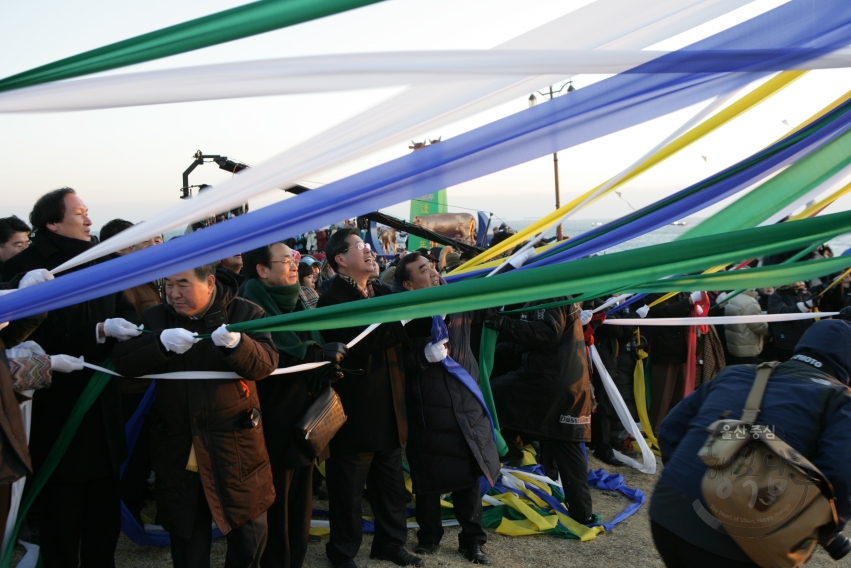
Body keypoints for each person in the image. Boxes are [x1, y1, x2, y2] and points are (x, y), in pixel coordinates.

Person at [2, 188, 143, 567]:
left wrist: (123, 326)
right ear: (52, 222)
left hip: (101, 402)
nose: (88, 220)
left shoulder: (101, 260)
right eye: (80, 213)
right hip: (54, 407)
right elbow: (23, 337)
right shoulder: (25, 269)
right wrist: (96, 331)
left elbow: (126, 310)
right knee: (60, 516)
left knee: (103, 513)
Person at [111, 263, 278, 567]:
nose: (173, 294)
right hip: (177, 445)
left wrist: (238, 345)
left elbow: (265, 365)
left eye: (183, 284)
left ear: (210, 282)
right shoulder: (156, 317)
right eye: (167, 285)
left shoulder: (246, 313)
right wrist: (159, 345)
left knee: (250, 535)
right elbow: (124, 363)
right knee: (187, 538)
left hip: (236, 444)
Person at [650, 319, 851, 567]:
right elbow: (841, 475)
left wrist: (688, 478)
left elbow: (670, 429)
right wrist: (827, 529)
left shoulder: (736, 373)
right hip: (740, 538)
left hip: (668, 512)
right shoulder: (839, 400)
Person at [317, 229, 422, 568]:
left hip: (389, 404)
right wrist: (400, 321)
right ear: (340, 260)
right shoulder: (331, 298)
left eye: (368, 245)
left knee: (390, 487)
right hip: (355, 408)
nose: (370, 251)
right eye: (360, 246)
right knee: (348, 490)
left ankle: (390, 543)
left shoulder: (377, 289)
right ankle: (343, 552)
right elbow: (355, 342)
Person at [240, 242, 346, 568]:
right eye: (286, 260)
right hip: (273, 423)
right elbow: (268, 360)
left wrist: (326, 364)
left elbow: (309, 348)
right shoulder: (247, 306)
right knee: (277, 507)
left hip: (308, 421)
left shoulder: (299, 299)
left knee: (301, 504)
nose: (293, 266)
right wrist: (314, 355)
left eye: (295, 258)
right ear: (261, 269)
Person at [394, 252, 499, 565]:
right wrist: (424, 357)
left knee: (468, 474)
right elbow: (398, 365)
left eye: (432, 266)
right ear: (409, 285)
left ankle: (473, 541)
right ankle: (429, 536)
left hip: (466, 402)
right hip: (428, 407)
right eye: (423, 270)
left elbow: (491, 310)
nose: (432, 272)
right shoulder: (406, 317)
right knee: (428, 477)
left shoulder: (459, 301)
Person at [486, 298, 595, 524]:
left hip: (549, 380)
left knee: (490, 398)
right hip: (566, 380)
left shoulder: (550, 294)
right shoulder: (550, 293)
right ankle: (579, 509)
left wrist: (503, 324)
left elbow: (546, 333)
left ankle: (505, 459)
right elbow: (527, 341)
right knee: (563, 440)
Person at [99, 218, 165, 524]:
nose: (157, 245)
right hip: (133, 382)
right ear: (126, 246)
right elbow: (139, 328)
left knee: (149, 451)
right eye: (149, 240)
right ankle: (128, 510)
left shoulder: (148, 277)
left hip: (151, 377)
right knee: (134, 452)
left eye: (159, 239)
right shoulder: (122, 282)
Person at [768, 282, 816, 361]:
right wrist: (805, 306)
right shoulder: (776, 296)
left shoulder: (805, 293)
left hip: (805, 340)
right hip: (787, 342)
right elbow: (783, 313)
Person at [719, 289, 770, 365]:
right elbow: (758, 326)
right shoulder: (750, 302)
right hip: (748, 348)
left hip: (733, 344)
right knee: (748, 373)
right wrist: (771, 329)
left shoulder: (730, 296)